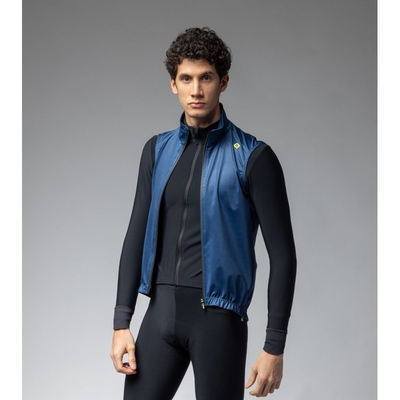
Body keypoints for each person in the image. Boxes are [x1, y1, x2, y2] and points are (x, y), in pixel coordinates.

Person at [110, 27, 297, 400]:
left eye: (206, 78)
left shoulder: (254, 158)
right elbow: (135, 234)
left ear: (223, 82)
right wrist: (121, 322)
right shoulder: (156, 151)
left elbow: (283, 255)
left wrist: (274, 345)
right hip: (160, 315)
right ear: (173, 84)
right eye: (186, 78)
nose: (196, 90)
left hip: (218, 323)